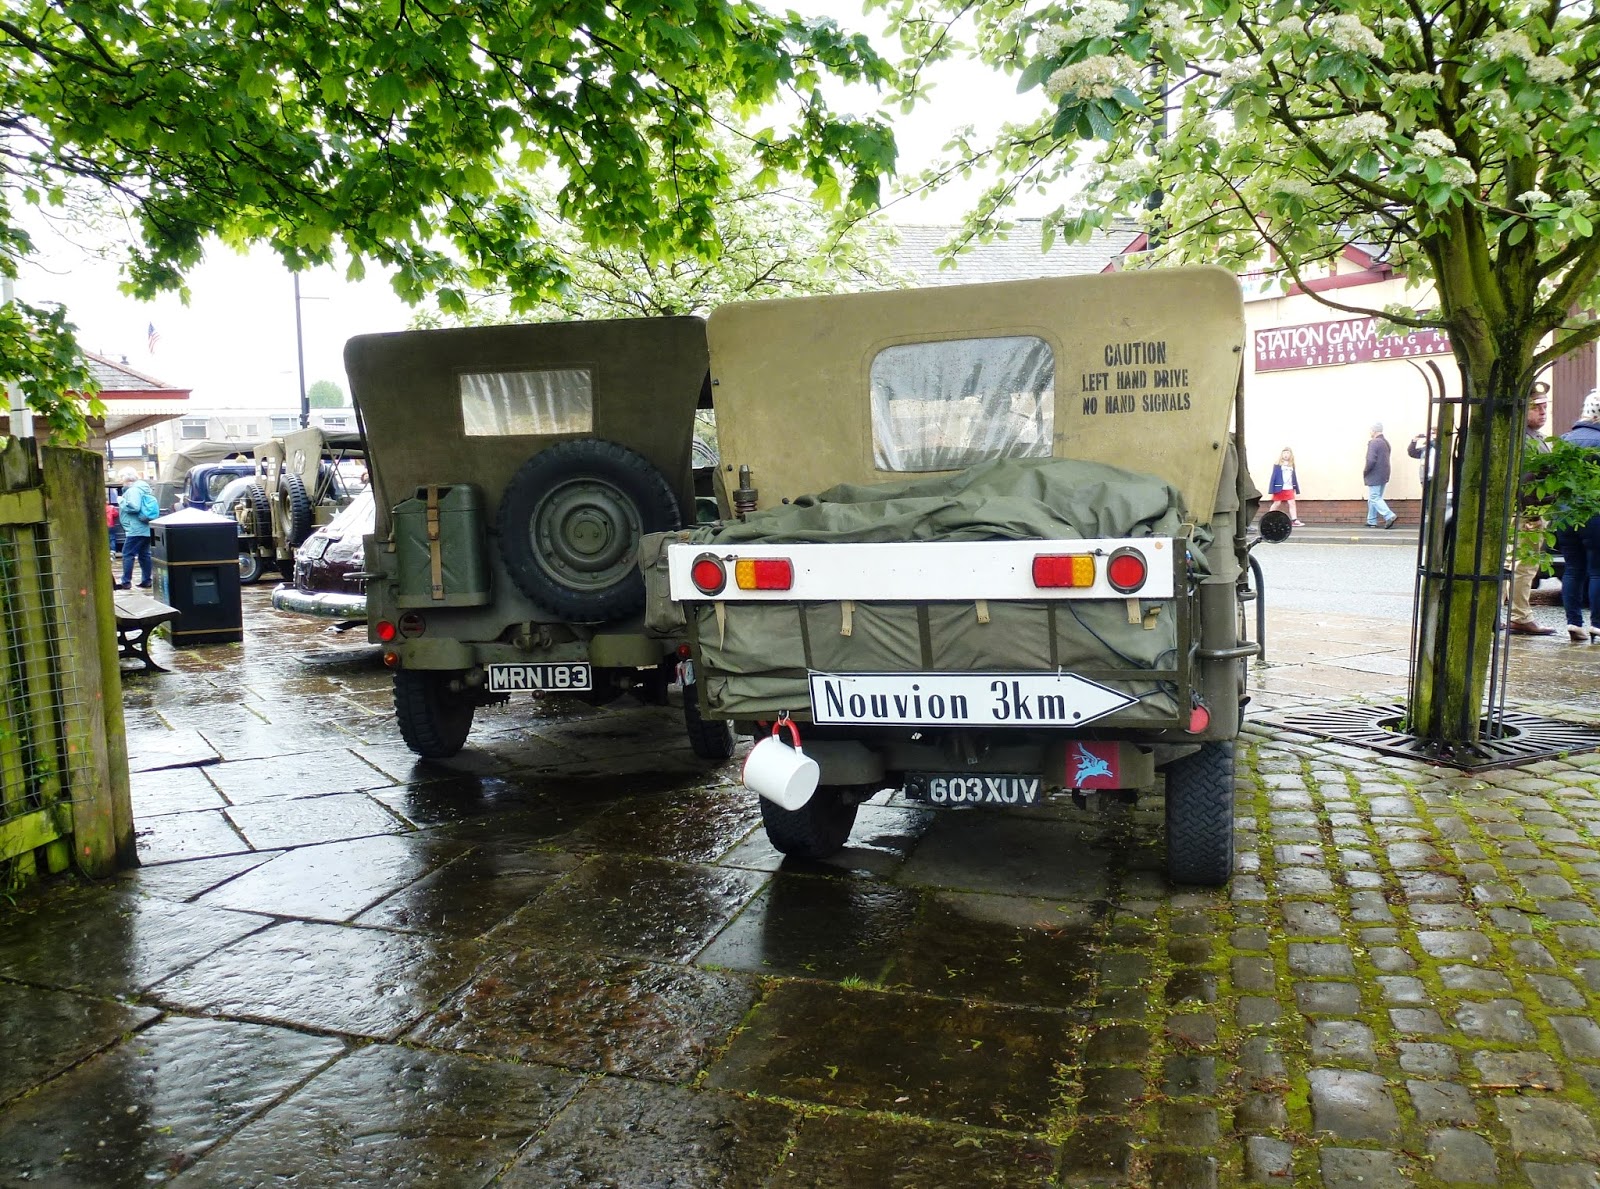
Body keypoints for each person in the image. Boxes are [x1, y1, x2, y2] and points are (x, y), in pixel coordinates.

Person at [1507, 383, 1556, 636]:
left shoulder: (1534, 436)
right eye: (1536, 407)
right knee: (1524, 565)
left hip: (1531, 510)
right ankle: (1520, 616)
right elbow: (1525, 480)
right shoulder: (1523, 438)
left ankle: (1512, 614)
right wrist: (1532, 513)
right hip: (1528, 511)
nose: (1543, 412)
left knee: (1518, 564)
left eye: (1545, 406)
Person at [1556, 389, 1600, 643]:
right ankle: (1597, 624)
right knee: (1597, 571)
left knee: (1573, 569)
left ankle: (1574, 622)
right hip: (1594, 514)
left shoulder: (1565, 440)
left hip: (1565, 514)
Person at [116, 468, 159, 590]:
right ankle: (147, 580)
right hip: (145, 528)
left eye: (121, 478)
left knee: (127, 554)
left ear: (125, 478)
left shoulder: (133, 490)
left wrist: (121, 501)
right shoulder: (143, 489)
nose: (120, 481)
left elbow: (134, 507)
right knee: (144, 554)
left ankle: (126, 582)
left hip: (136, 529)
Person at [1364, 423, 1397, 529]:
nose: (1370, 432)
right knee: (1374, 497)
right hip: (1384, 473)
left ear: (1374, 431)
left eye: (1371, 430)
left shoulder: (1374, 442)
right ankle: (1371, 520)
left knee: (1374, 497)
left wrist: (1366, 471)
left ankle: (1389, 515)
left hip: (1375, 473)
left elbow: (1370, 460)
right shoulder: (1385, 442)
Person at [1267, 447, 1304, 525]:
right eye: (1284, 453)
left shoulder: (1292, 465)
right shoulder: (1277, 465)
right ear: (1281, 454)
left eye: (1288, 453)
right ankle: (1268, 518)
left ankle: (1294, 520)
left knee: (1292, 503)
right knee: (1277, 503)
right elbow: (1273, 477)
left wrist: (1295, 487)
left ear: (1290, 455)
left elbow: (1294, 477)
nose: (1286, 455)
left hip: (1289, 487)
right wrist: (1271, 489)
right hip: (1279, 487)